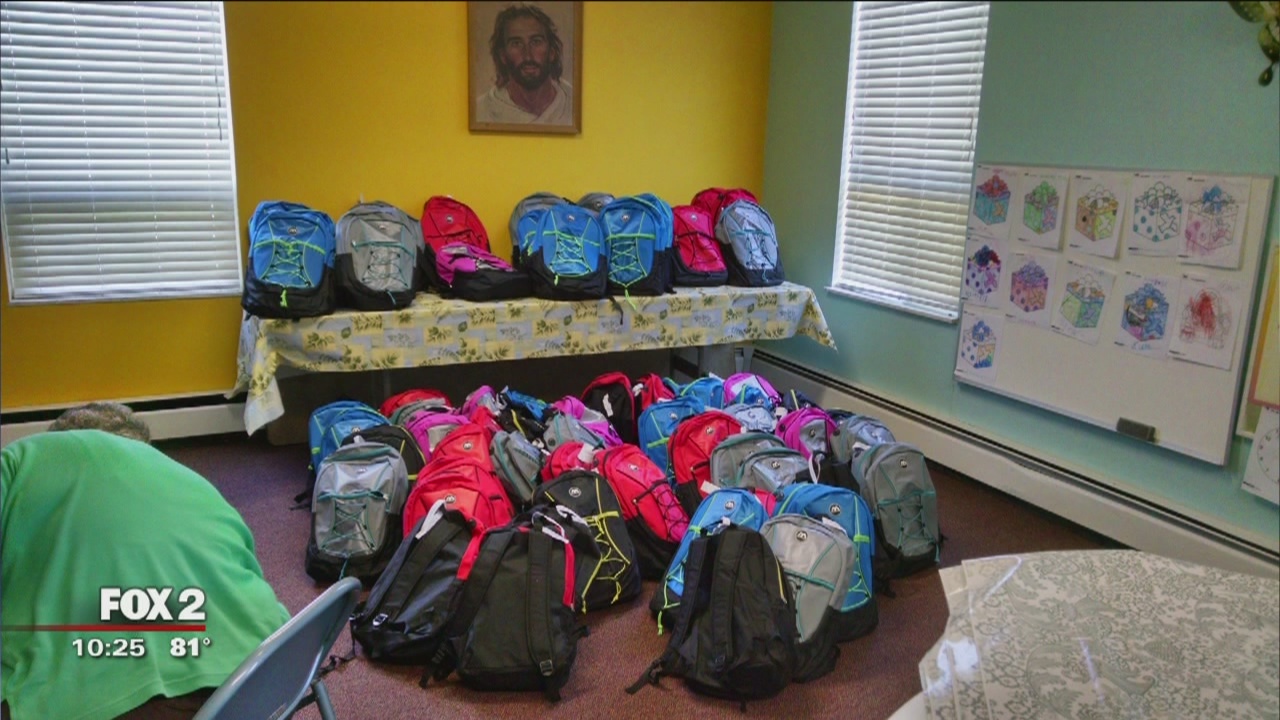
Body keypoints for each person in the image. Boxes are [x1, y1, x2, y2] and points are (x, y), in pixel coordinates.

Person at [1, 403, 291, 720]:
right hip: (258, 686)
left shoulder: (25, 459)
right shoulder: (197, 484)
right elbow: (257, 591)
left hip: (100, 703)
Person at [475, 3, 574, 125]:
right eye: (516, 43)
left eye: (536, 42)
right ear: (503, 56)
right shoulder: (481, 111)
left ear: (552, 52)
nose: (528, 55)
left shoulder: (574, 104)